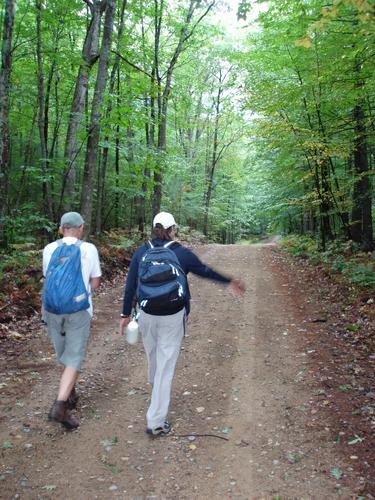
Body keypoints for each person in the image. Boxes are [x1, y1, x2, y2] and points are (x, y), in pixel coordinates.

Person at [120, 212, 245, 437]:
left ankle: (157, 391)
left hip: (146, 314)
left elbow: (131, 284)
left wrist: (124, 315)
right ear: (172, 229)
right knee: (165, 367)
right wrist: (229, 282)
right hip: (173, 316)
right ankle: (156, 422)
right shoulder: (180, 253)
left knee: (155, 359)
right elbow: (204, 270)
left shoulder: (142, 251)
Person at [42, 212, 101, 429]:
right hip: (78, 310)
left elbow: (48, 279)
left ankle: (70, 391)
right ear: (81, 228)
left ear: (61, 229)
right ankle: (60, 406)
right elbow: (95, 284)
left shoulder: (49, 249)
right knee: (74, 358)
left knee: (64, 355)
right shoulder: (88, 249)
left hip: (52, 310)